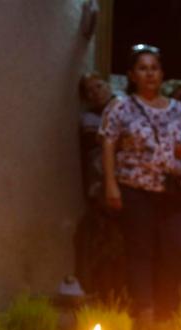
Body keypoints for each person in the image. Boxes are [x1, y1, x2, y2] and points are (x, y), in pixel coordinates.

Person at [100, 44, 181, 329]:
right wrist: (110, 184)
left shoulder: (176, 108)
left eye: (154, 68)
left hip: (172, 189)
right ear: (132, 74)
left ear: (162, 73)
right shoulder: (121, 106)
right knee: (141, 250)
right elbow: (108, 141)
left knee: (175, 250)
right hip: (135, 186)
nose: (149, 74)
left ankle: (169, 312)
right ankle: (144, 310)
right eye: (143, 69)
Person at [74, 73, 124, 300]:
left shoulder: (125, 106)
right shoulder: (90, 119)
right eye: (90, 91)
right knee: (106, 243)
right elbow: (99, 144)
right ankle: (105, 293)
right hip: (102, 190)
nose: (96, 93)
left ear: (108, 85)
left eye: (99, 86)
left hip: (130, 185)